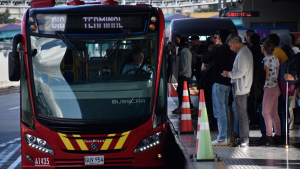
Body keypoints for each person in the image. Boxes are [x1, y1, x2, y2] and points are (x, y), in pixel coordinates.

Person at [204, 29, 235, 145]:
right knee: (225, 110)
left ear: (220, 38)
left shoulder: (219, 49)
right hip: (228, 83)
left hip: (218, 83)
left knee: (219, 111)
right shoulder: (232, 50)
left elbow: (205, 58)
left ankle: (222, 137)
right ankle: (226, 136)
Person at [222, 33, 253, 148]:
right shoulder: (242, 52)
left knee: (242, 115)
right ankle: (242, 138)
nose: (230, 48)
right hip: (241, 87)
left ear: (236, 43)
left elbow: (241, 72)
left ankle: (244, 140)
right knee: (241, 114)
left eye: (231, 46)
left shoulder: (243, 53)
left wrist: (228, 74)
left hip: (242, 88)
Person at [259, 39, 281, 145]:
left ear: (263, 48)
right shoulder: (276, 58)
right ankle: (278, 135)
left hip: (269, 87)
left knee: (265, 113)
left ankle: (268, 136)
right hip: (276, 87)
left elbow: (266, 75)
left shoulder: (266, 59)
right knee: (274, 113)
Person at [172, 37, 192, 114]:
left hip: (183, 75)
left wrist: (180, 72)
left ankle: (181, 106)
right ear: (187, 44)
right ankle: (187, 106)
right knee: (185, 91)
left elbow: (183, 64)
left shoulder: (183, 52)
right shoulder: (188, 51)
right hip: (188, 74)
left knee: (181, 91)